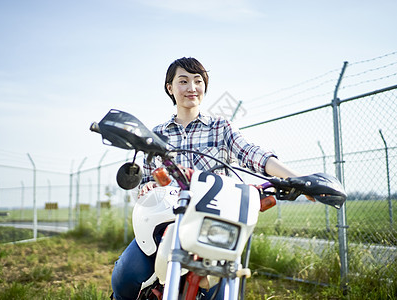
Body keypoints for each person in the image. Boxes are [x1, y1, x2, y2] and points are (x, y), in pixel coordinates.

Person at [111, 57, 311, 299]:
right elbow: (145, 181)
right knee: (127, 278)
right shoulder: (156, 135)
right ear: (170, 88)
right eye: (183, 81)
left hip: (212, 225)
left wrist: (299, 178)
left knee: (221, 287)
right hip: (165, 225)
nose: (191, 88)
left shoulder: (220, 128)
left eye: (198, 81)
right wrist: (149, 186)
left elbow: (252, 154)